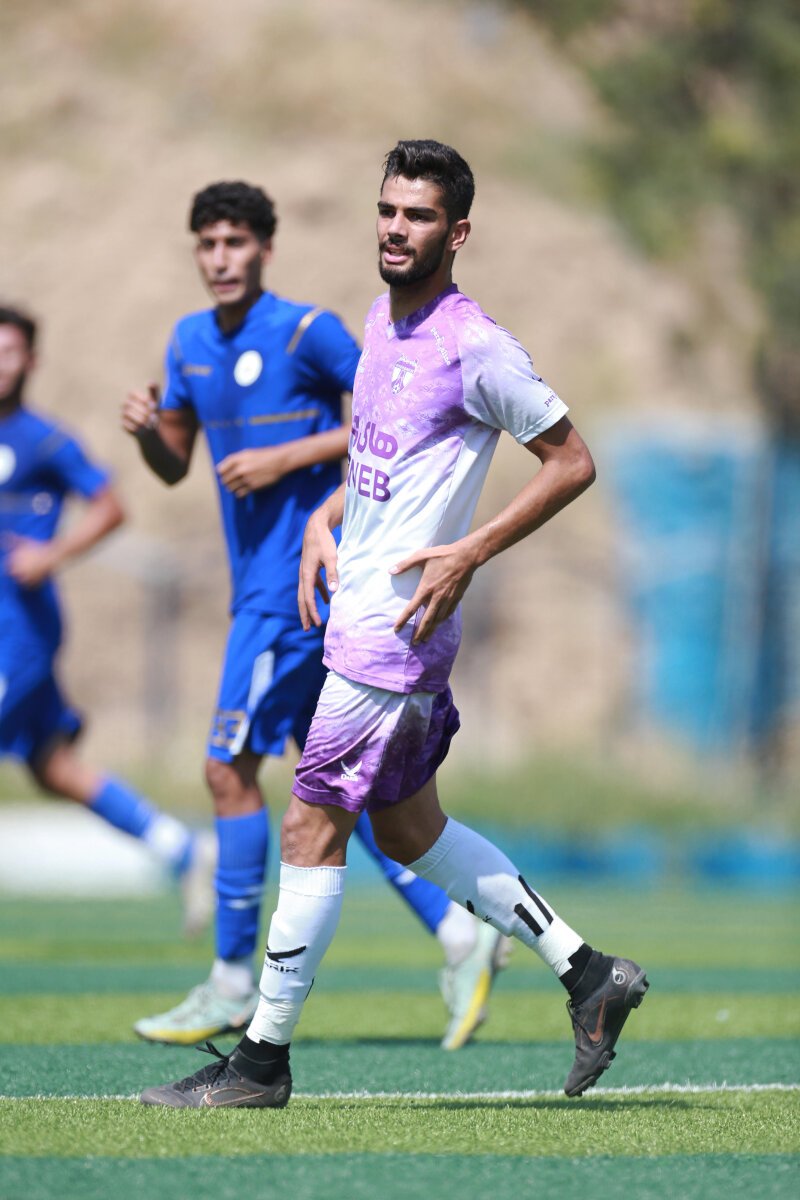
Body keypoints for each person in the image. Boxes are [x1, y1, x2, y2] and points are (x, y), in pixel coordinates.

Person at [139, 141, 649, 1111]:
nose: (395, 229)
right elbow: (381, 459)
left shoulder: (475, 345)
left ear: (457, 233)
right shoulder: (379, 318)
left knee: (308, 824)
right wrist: (327, 516)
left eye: (417, 216)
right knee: (410, 830)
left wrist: (470, 552)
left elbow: (571, 461)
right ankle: (589, 974)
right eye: (387, 210)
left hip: (392, 632)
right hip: (366, 618)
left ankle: (259, 1064)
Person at [122, 180, 506, 1050]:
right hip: (255, 584)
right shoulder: (188, 342)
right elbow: (174, 463)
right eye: (208, 244)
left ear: (266, 248)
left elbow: (384, 421)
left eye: (237, 242)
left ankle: (230, 981)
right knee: (334, 792)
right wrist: (148, 429)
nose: (222, 259)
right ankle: (460, 933)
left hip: (297, 590)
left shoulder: (308, 332)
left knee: (227, 769)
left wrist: (288, 457)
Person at [0, 305, 214, 929]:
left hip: (20, 630)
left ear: (31, 362)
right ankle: (181, 849)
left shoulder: (43, 440)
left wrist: (51, 554)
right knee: (53, 768)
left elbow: (110, 506)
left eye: (10, 352)